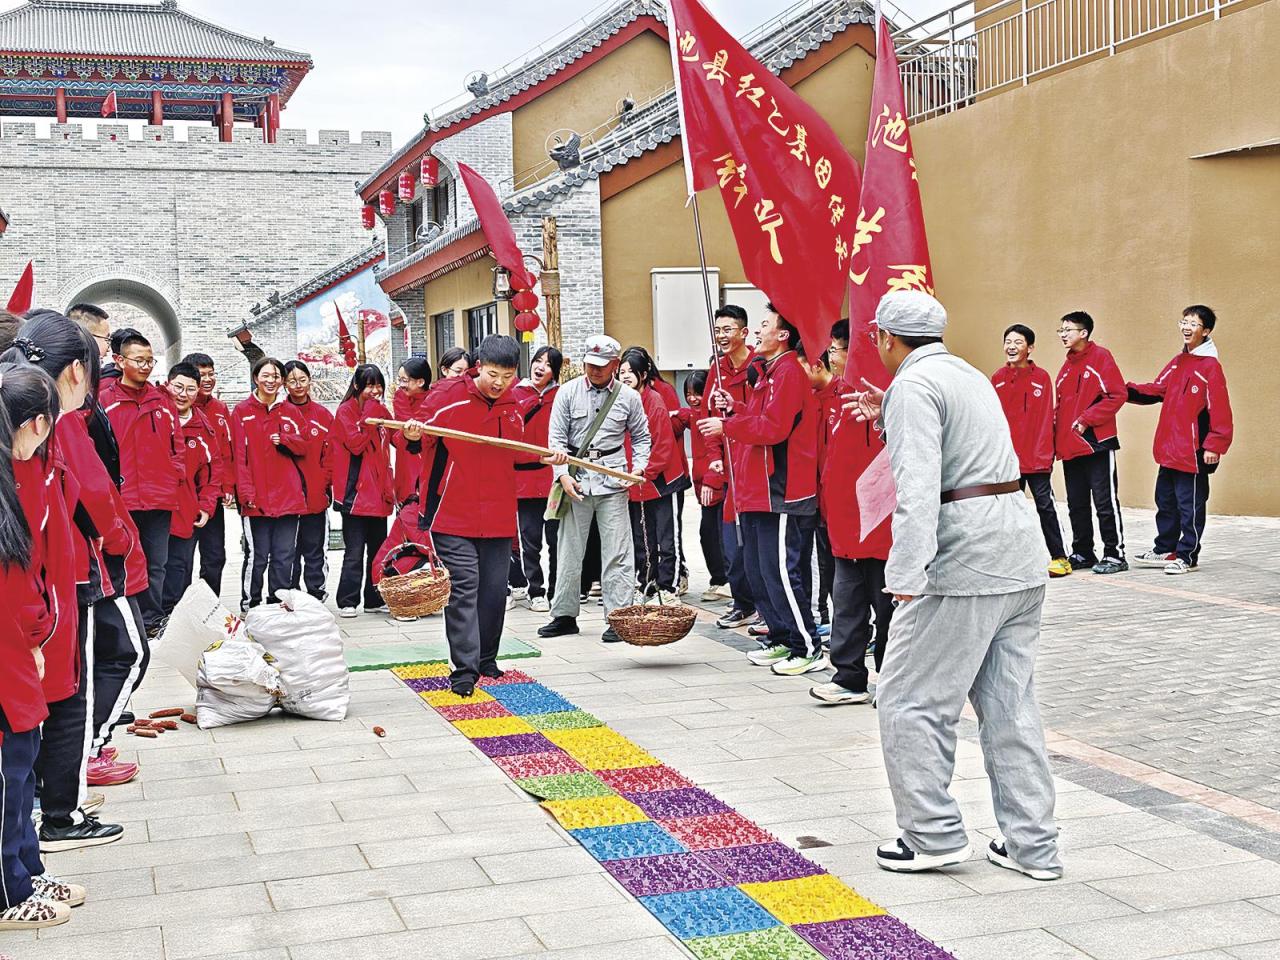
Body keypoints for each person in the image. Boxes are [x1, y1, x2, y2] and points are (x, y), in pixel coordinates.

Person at [851, 290, 1060, 881]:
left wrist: (905, 575)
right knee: (1010, 706)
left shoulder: (914, 386)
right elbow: (965, 452)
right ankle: (1033, 845)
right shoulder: (966, 373)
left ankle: (932, 835)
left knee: (909, 699)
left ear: (887, 338)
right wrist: (891, 412)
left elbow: (918, 489)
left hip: (964, 560)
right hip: (1018, 552)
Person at [4, 313, 128, 849]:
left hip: (44, 605)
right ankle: (51, 822)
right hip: (38, 613)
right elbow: (25, 552)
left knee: (30, 734)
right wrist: (35, 630)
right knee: (49, 713)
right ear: (77, 371)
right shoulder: (40, 434)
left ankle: (34, 839)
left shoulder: (36, 427)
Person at [406, 335, 566, 696]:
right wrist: (413, 434)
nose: (499, 383)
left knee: (494, 590)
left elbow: (515, 452)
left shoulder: (513, 403)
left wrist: (544, 456)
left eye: (507, 376)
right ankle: (464, 670)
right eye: (493, 375)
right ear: (479, 367)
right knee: (465, 586)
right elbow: (414, 438)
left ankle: (486, 659)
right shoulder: (448, 395)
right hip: (450, 512)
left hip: (497, 513)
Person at [0, 361, 83, 929]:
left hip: (20, 643)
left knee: (22, 765)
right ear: (37, 423)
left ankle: (26, 870)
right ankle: (8, 890)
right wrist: (33, 636)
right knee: (10, 772)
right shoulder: (15, 478)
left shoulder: (24, 470)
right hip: (8, 649)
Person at [699, 305, 821, 677]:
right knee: (758, 570)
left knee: (781, 571)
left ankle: (807, 645)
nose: (757, 330)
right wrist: (735, 407)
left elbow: (773, 428)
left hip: (779, 489)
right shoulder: (769, 372)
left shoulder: (788, 372)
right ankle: (782, 637)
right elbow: (757, 419)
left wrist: (727, 425)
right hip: (756, 489)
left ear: (783, 335)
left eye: (764, 324)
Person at [538, 335, 651, 644]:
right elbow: (556, 439)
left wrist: (638, 468)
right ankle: (564, 615)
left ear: (615, 364)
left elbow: (642, 437)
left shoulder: (629, 397)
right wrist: (562, 475)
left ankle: (619, 617)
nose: (595, 370)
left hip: (613, 479)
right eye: (590, 364)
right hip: (575, 477)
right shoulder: (567, 392)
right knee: (569, 550)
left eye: (602, 365)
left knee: (618, 552)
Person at [809, 326, 893, 705]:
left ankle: (892, 682)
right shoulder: (836, 397)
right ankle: (849, 678)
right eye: (831, 349)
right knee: (846, 605)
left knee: (888, 610)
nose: (832, 356)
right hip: (844, 525)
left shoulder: (884, 401)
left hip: (881, 529)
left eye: (839, 350)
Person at [1127, 305, 1233, 574]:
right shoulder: (1178, 361)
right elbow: (1157, 389)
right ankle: (1166, 549)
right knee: (1165, 502)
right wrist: (1123, 390)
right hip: (1169, 449)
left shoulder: (1210, 367)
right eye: (1184, 322)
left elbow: (1220, 409)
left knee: (1190, 506)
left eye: (1193, 324)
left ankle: (1187, 556)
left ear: (1206, 331)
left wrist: (1215, 445)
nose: (1187, 328)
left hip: (1193, 452)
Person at [98, 332, 185, 635]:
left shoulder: (162, 401)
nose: (146, 366)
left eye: (150, 361)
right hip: (123, 499)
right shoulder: (104, 401)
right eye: (139, 360)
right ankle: (126, 623)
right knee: (124, 561)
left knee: (157, 564)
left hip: (160, 497)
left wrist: (174, 475)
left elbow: (177, 445)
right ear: (119, 361)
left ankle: (150, 620)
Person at [992, 324, 1070, 577]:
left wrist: (1045, 454)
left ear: (1030, 348)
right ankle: (1009, 560)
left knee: (1045, 506)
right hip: (1008, 460)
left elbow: (1046, 418)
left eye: (1018, 342)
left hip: (1036, 458)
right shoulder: (997, 378)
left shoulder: (1042, 378)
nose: (1012, 347)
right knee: (1007, 511)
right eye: (1008, 342)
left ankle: (1060, 557)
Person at [231, 357, 309, 610]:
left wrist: (285, 439)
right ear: (256, 378)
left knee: (284, 555)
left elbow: (304, 446)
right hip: (256, 497)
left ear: (282, 381)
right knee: (257, 556)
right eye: (265, 375)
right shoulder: (242, 412)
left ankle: (278, 602)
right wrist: (245, 492)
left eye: (276, 376)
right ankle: (250, 604)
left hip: (288, 496)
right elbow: (238, 457)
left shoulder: (291, 411)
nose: (271, 381)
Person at [1055, 311, 1128, 575]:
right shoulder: (1066, 368)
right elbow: (1060, 409)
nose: (1063, 334)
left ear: (1083, 333)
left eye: (1068, 330)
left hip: (1097, 444)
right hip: (1070, 447)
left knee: (1105, 502)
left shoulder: (1101, 357)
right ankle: (1083, 551)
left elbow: (1117, 394)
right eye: (1061, 330)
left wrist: (1087, 419)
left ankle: (1115, 554)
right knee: (1076, 503)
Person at [703, 305, 759, 630]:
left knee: (755, 541)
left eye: (728, 330)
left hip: (755, 463)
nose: (722, 336)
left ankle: (762, 606)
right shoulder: (718, 369)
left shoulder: (758, 366)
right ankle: (743, 603)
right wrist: (714, 458)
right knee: (730, 539)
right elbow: (707, 417)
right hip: (730, 466)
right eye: (718, 330)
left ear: (744, 332)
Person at [619, 348, 687, 601]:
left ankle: (669, 587)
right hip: (636, 480)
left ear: (644, 374)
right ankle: (647, 584)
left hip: (661, 480)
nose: (625, 376)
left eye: (631, 371)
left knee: (667, 538)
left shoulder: (655, 400)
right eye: (622, 372)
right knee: (642, 537)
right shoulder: (621, 401)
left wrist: (644, 471)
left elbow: (663, 445)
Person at [332, 364, 395, 617]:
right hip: (355, 496)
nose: (375, 391)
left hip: (378, 494)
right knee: (354, 552)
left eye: (379, 385)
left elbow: (397, 436)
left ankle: (374, 599)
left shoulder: (379, 409)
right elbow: (356, 445)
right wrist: (369, 416)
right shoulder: (345, 411)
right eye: (370, 385)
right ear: (357, 386)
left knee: (378, 551)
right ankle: (347, 600)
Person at [159, 362, 219, 616]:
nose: (183, 394)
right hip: (149, 509)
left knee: (179, 568)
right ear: (167, 385)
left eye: (190, 389)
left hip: (184, 510)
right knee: (153, 568)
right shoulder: (153, 413)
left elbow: (212, 471)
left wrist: (206, 505)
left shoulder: (203, 428)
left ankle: (174, 621)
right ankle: (150, 622)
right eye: (178, 387)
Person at [508, 345, 562, 613]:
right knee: (529, 540)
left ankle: (556, 590)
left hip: (555, 481)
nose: (540, 367)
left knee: (556, 540)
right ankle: (536, 590)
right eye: (538, 361)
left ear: (555, 371)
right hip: (525, 481)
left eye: (548, 364)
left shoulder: (561, 396)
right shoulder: (514, 394)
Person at [672, 369, 728, 602]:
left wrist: (712, 482)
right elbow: (687, 415)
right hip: (703, 484)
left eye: (698, 393)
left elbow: (718, 451)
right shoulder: (696, 415)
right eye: (688, 393)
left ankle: (723, 580)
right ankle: (719, 579)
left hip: (715, 483)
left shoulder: (714, 417)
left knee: (716, 534)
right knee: (708, 534)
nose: (692, 398)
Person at [184, 352, 235, 597]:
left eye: (211, 374)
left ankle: (209, 602)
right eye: (201, 375)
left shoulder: (220, 409)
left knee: (215, 555)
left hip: (212, 494)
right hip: (184, 496)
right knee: (182, 558)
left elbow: (227, 451)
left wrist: (228, 486)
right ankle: (178, 606)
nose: (207, 379)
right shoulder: (179, 408)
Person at [283, 360, 334, 601]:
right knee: (288, 550)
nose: (298, 385)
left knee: (315, 548)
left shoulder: (323, 415)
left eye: (302, 380)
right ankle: (290, 595)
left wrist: (323, 483)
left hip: (315, 495)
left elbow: (330, 456)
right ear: (284, 384)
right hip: (286, 497)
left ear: (310, 381)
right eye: (292, 381)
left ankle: (316, 593)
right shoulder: (278, 413)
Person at [802, 349, 840, 630]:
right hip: (815, 496)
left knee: (838, 564)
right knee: (820, 560)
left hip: (836, 498)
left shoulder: (842, 395)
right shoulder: (811, 399)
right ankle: (822, 616)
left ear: (817, 365)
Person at [391, 356, 432, 509]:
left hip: (428, 457)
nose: (401, 385)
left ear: (420, 382)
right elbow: (406, 428)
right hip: (406, 458)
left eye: (405, 380)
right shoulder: (400, 397)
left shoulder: (434, 398)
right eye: (400, 380)